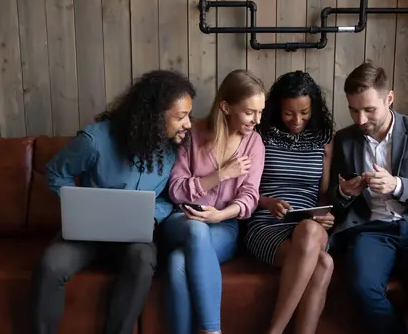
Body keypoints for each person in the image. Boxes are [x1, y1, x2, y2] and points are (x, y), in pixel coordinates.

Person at [29, 70, 196, 334]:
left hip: (135, 237)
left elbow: (170, 195)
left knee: (142, 259)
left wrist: (154, 215)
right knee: (50, 265)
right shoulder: (95, 141)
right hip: (87, 233)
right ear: (153, 116)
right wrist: (77, 206)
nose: (188, 123)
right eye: (180, 116)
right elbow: (56, 172)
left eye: (188, 114)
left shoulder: (175, 147)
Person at [328, 60, 408, 334]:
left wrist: (397, 185)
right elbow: (334, 199)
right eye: (353, 110)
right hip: (371, 229)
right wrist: (344, 192)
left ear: (390, 98)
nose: (360, 120)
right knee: (361, 287)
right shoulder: (346, 139)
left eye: (369, 109)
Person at [162, 69, 267, 334]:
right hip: (182, 220)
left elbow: (250, 197)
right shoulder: (193, 134)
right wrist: (220, 175)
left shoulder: (254, 144)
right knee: (196, 229)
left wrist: (220, 216)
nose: (257, 119)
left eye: (260, 112)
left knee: (177, 263)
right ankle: (212, 331)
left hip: (224, 227)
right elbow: (175, 190)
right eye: (249, 112)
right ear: (226, 107)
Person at [243, 71, 335, 334]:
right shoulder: (261, 135)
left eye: (304, 113)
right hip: (267, 224)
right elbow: (243, 190)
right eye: (288, 113)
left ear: (314, 108)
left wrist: (326, 215)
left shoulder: (324, 138)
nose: (297, 120)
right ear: (277, 109)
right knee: (324, 263)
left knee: (308, 229)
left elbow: (323, 194)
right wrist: (268, 202)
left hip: (309, 225)